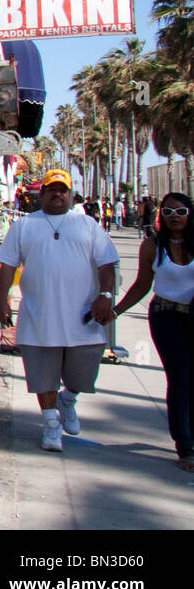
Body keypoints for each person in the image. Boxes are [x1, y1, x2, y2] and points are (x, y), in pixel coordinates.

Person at [0, 168, 120, 451]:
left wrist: (105, 295)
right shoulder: (25, 225)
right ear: (43, 193)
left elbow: (106, 263)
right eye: (52, 189)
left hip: (83, 317)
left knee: (83, 373)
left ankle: (68, 399)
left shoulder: (87, 224)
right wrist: (1, 300)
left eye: (63, 190)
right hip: (39, 316)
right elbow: (8, 265)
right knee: (43, 374)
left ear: (71, 195)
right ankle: (51, 425)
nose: (58, 194)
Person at [110, 192, 194, 471]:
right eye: (168, 212)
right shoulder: (152, 246)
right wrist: (115, 311)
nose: (174, 218)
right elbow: (141, 286)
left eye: (180, 212)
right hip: (165, 316)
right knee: (180, 377)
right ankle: (185, 445)